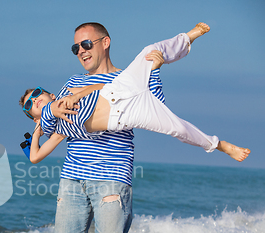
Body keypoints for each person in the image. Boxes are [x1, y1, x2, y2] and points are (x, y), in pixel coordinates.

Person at [19, 22, 248, 233]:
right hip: (74, 177)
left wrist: (155, 67)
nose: (81, 52)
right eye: (75, 48)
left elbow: (158, 106)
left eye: (86, 44)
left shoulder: (105, 80)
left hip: (115, 162)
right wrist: (49, 112)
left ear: (105, 42)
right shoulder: (69, 86)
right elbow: (47, 128)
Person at [22, 25, 250, 164]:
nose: (35, 100)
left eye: (37, 94)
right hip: (124, 116)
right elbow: (34, 157)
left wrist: (79, 94)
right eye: (30, 104)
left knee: (149, 52)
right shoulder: (58, 130)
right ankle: (219, 145)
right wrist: (37, 132)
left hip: (116, 91)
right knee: (178, 128)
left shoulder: (67, 89)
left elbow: (100, 87)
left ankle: (186, 39)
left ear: (51, 94)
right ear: (34, 116)